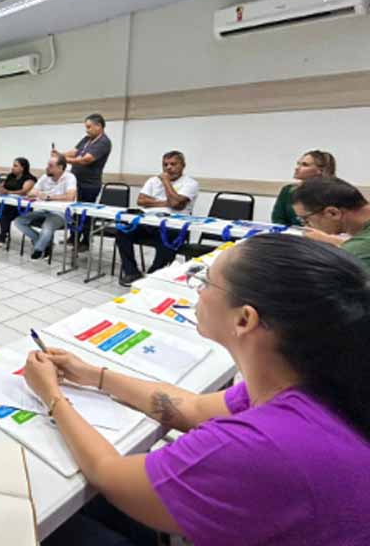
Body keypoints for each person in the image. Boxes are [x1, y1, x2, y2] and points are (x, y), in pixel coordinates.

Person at [30, 234, 370, 546]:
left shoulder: (258, 446)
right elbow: (191, 409)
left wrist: (52, 397)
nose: (196, 290)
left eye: (206, 281)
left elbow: (108, 474)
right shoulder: (312, 379)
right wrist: (95, 375)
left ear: (244, 319)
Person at [116, 151, 199, 286]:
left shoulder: (190, 183)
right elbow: (141, 201)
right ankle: (132, 272)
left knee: (167, 238)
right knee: (123, 231)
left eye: (173, 164)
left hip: (174, 225)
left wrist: (166, 182)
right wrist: (167, 202)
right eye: (165, 165)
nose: (168, 168)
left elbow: (176, 204)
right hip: (149, 221)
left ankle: (153, 274)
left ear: (183, 165)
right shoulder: (153, 180)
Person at [55, 113, 111, 249]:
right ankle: (73, 238)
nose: (87, 130)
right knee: (74, 211)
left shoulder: (103, 142)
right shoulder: (87, 139)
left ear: (99, 126)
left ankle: (85, 241)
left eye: (89, 127)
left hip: (89, 184)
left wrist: (63, 160)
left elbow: (86, 160)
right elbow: (74, 152)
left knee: (86, 213)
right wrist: (60, 154)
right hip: (77, 182)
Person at [292, 176, 370, 272]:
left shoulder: (357, 252)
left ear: (333, 213)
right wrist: (334, 241)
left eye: (305, 219)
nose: (306, 225)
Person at [15, 153, 77, 260]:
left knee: (47, 226)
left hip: (61, 213)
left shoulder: (69, 177)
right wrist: (35, 193)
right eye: (47, 165)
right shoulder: (45, 177)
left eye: (50, 166)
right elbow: (31, 192)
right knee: (19, 221)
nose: (47, 168)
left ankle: (38, 249)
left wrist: (48, 197)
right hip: (44, 210)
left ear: (60, 167)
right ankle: (45, 242)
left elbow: (70, 196)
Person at [271, 150, 336, 226]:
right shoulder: (288, 190)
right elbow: (278, 220)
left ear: (320, 170)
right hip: (291, 232)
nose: (297, 168)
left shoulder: (332, 192)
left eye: (305, 165)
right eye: (298, 164)